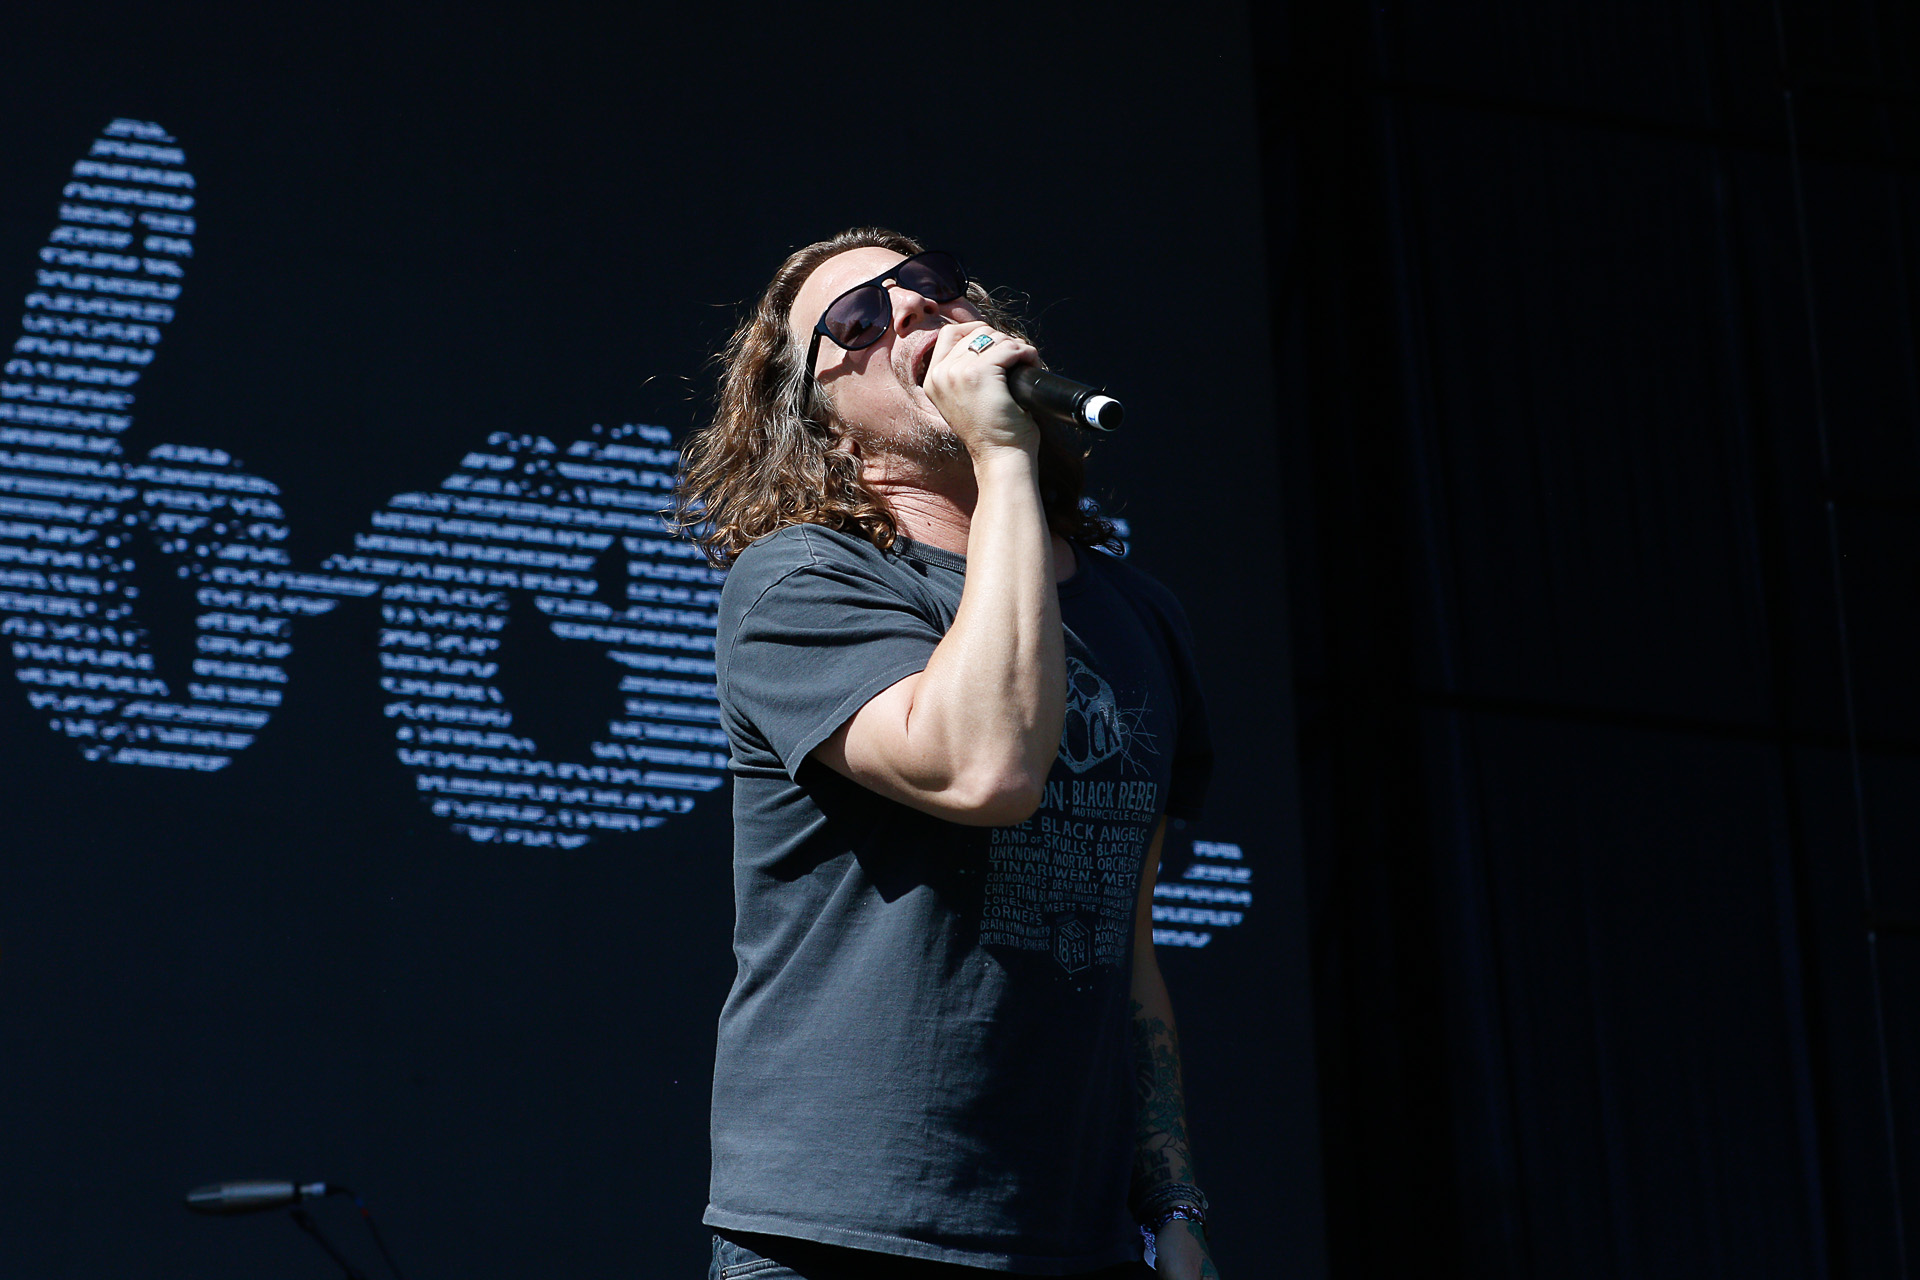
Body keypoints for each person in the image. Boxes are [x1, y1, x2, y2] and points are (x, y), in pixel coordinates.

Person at [677, 228, 1220, 1280]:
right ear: (824, 420)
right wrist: (1003, 455)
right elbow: (985, 769)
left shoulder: (1140, 614)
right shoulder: (803, 580)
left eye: (924, 284)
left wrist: (1173, 1201)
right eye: (857, 319)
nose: (910, 309)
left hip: (1078, 1237)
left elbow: (1127, 944)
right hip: (844, 1231)